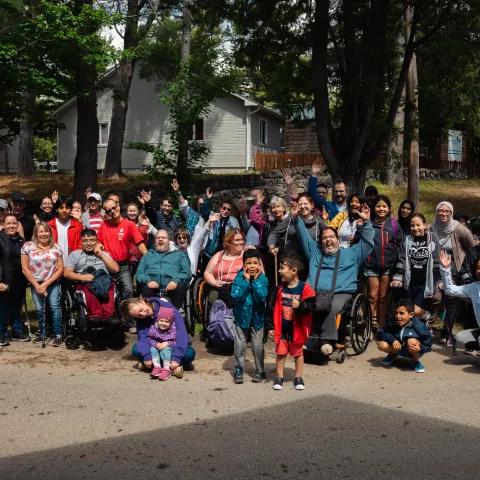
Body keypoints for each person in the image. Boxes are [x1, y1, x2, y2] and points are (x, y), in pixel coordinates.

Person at [290, 201, 373, 356]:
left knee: (330, 306)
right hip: (315, 292)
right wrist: (296, 218)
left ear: (338, 239)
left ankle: (327, 340)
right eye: (324, 237)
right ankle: (306, 338)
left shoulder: (351, 254)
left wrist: (367, 222)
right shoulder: (315, 252)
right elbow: (303, 235)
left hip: (341, 293)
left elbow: (367, 243)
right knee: (302, 304)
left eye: (331, 237)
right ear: (320, 241)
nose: (328, 240)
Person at [431, 201, 476, 344]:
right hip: (437, 269)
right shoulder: (433, 227)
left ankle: (447, 331)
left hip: (455, 270)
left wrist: (466, 263)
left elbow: (471, 246)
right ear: (437, 212)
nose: (443, 214)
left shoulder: (459, 228)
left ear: (451, 213)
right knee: (435, 297)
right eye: (440, 211)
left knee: (451, 301)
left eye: (447, 211)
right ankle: (430, 324)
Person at [270, 253, 315, 391]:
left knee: (298, 353)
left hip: (297, 329)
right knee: (281, 353)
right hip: (283, 327)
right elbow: (272, 308)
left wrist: (301, 305)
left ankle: (298, 377)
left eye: (282, 268)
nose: (279, 271)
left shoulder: (305, 289)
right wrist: (271, 326)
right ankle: (279, 376)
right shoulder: (279, 289)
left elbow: (311, 307)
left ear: (293, 271)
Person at [123, 297, 195, 377]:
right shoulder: (141, 319)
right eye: (139, 316)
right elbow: (143, 337)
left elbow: (181, 333)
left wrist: (176, 357)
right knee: (136, 350)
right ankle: (170, 368)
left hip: (171, 344)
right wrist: (147, 355)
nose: (143, 314)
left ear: (142, 301)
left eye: (141, 310)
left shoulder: (167, 307)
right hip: (155, 346)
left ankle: (153, 366)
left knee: (189, 354)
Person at [97, 198, 147, 306]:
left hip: (123, 266)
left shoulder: (129, 225)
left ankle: (127, 317)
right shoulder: (103, 225)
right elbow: (98, 242)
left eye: (114, 208)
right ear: (106, 212)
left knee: (129, 290)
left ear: (118, 206)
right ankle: (111, 315)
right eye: (108, 210)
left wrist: (148, 258)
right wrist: (99, 245)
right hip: (107, 265)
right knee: (106, 291)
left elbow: (140, 243)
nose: (112, 211)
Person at [21, 222, 64, 346]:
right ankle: (43, 332)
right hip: (36, 283)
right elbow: (25, 269)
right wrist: (37, 285)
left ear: (50, 233)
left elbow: (60, 269)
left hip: (52, 282)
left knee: (54, 307)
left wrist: (46, 284)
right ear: (36, 233)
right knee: (40, 309)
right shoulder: (28, 246)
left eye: (46, 231)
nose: (43, 234)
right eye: (40, 231)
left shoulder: (56, 247)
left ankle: (58, 334)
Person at [230, 249, 269, 384]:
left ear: (259, 265)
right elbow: (235, 295)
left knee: (257, 346)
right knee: (240, 345)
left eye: (255, 263)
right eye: (249, 263)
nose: (252, 266)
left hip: (257, 318)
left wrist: (255, 281)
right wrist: (246, 282)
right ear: (244, 264)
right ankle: (239, 369)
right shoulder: (239, 277)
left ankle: (260, 370)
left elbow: (262, 296)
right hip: (241, 317)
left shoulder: (263, 279)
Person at [63, 228, 120, 321]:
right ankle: (95, 315)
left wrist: (101, 254)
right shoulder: (75, 254)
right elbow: (66, 273)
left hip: (103, 279)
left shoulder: (103, 253)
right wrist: (82, 277)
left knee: (110, 285)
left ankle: (109, 316)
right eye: (85, 241)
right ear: (81, 241)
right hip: (85, 281)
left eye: (92, 240)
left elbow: (115, 269)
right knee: (88, 286)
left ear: (96, 241)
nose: (89, 243)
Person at [391, 213, 441, 317]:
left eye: (418, 225)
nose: (415, 228)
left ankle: (427, 316)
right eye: (412, 225)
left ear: (424, 225)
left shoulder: (433, 238)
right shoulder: (407, 239)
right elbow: (401, 260)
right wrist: (397, 278)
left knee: (416, 311)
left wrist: (439, 281)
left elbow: (437, 262)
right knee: (408, 311)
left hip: (425, 283)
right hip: (409, 282)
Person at [364, 195, 401, 328]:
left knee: (383, 297)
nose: (381, 209)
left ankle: (382, 323)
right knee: (373, 296)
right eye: (378, 206)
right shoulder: (369, 223)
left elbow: (399, 243)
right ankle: (371, 321)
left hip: (388, 267)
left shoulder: (394, 224)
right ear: (374, 208)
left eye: (384, 206)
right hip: (371, 265)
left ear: (389, 208)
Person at [135, 229, 191, 309]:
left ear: (169, 241)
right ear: (155, 241)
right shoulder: (147, 255)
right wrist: (148, 280)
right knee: (145, 288)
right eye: (158, 238)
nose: (160, 239)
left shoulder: (179, 255)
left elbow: (187, 273)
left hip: (173, 287)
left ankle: (173, 314)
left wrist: (175, 281)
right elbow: (139, 274)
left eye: (163, 238)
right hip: (152, 288)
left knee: (180, 286)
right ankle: (152, 313)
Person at [376, 298, 432, 373]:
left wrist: (420, 348)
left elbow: (428, 342)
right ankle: (393, 354)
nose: (397, 316)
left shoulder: (419, 326)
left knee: (411, 341)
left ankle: (415, 361)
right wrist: (393, 340)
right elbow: (381, 332)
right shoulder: (393, 321)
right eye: (396, 313)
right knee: (382, 345)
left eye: (401, 313)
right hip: (397, 347)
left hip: (412, 350)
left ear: (411, 315)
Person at [440, 250, 480, 351]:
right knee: (462, 337)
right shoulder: (473, 287)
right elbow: (450, 290)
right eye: (478, 268)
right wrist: (446, 269)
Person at [0, 215, 28, 345]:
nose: (11, 226)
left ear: (17, 225)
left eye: (13, 223)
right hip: (4, 280)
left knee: (17, 308)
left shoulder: (21, 241)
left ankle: (17, 331)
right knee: (3, 309)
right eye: (8, 223)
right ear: (4, 225)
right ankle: (2, 333)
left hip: (19, 280)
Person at [203, 228, 246, 307]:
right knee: (214, 296)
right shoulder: (219, 255)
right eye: (237, 240)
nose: (240, 242)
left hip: (238, 287)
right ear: (229, 241)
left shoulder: (247, 255)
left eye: (242, 239)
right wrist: (215, 283)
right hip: (219, 287)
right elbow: (207, 272)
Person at [201, 190, 240, 258]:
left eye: (228, 209)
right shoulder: (214, 216)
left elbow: (238, 235)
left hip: (224, 254)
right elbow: (204, 212)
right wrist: (208, 199)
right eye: (224, 208)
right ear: (220, 208)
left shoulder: (234, 221)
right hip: (209, 253)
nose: (226, 211)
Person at [48, 197, 83, 262]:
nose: (64, 210)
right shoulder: (49, 225)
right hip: (53, 262)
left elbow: (80, 244)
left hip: (73, 263)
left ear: (71, 209)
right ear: (56, 209)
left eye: (67, 208)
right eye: (61, 208)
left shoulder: (77, 225)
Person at [125, 202, 157, 274]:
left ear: (138, 212)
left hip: (142, 255)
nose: (132, 213)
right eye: (130, 211)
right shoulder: (124, 223)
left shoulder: (144, 223)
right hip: (128, 256)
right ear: (127, 212)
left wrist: (148, 225)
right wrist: (137, 226)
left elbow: (156, 233)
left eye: (134, 211)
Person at [148, 305, 177, 381]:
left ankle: (166, 369)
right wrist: (156, 344)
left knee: (166, 349)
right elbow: (150, 338)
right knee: (152, 348)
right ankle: (157, 366)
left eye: (167, 322)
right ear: (157, 320)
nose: (163, 323)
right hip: (157, 345)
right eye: (161, 321)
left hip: (167, 347)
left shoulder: (172, 329)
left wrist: (167, 343)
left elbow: (175, 340)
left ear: (171, 323)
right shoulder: (154, 328)